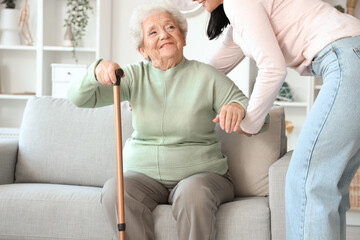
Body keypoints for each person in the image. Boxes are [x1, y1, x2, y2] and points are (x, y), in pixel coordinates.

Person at [67, 2, 269, 239]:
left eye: (170, 27)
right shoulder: (132, 77)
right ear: (143, 50)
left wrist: (237, 108)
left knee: (194, 192)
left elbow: (259, 118)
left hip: (202, 176)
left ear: (183, 39)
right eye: (153, 32)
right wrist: (95, 71)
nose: (164, 34)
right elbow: (79, 99)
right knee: (115, 191)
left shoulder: (207, 76)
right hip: (143, 177)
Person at [191, 0, 360, 239]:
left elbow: (273, 68)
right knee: (329, 187)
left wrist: (250, 123)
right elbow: (208, 73)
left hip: (348, 61)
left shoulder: (237, 3)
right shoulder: (239, 26)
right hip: (352, 55)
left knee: (304, 182)